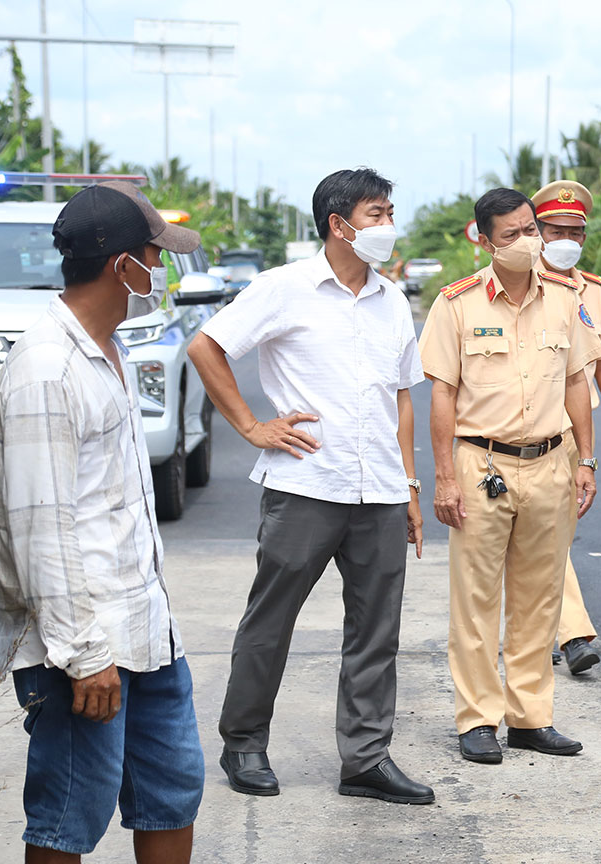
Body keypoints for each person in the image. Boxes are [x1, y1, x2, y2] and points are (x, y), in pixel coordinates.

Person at [188, 167, 432, 804]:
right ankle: (243, 742)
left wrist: (408, 486)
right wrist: (250, 425)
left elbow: (402, 400)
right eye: (378, 214)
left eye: (388, 212)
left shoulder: (392, 300)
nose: (388, 226)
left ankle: (366, 760)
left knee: (376, 630)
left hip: (377, 491)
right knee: (271, 621)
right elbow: (206, 347)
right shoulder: (283, 289)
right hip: (305, 485)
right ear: (339, 224)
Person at [0, 180, 205, 862]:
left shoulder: (106, 351)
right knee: (67, 816)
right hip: (82, 646)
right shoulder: (46, 371)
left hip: (143, 627)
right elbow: (40, 532)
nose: (163, 270)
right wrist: (84, 658)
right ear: (123, 267)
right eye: (155, 255)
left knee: (172, 793)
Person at [419, 187, 601, 765]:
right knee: (476, 599)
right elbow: (442, 394)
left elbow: (579, 381)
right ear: (483, 239)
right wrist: (445, 477)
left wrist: (588, 461)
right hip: (482, 464)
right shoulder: (457, 304)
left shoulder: (565, 300)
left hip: (552, 461)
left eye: (531, 229)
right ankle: (478, 718)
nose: (527, 242)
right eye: (512, 235)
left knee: (540, 596)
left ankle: (531, 717)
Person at [530, 179, 601, 676]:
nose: (567, 239)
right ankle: (573, 633)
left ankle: (539, 626)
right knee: (547, 536)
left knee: (556, 537)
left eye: (576, 231)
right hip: (525, 432)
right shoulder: (515, 280)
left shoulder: (592, 290)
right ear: (537, 232)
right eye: (557, 229)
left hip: (576, 434)